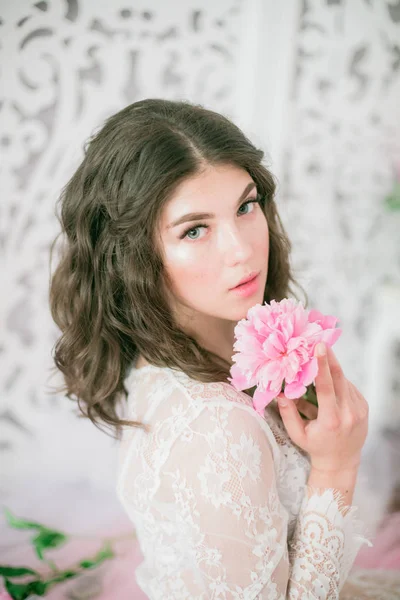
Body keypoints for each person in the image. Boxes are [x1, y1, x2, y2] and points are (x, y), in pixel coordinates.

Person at [49, 99, 400, 599]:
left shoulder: (169, 358)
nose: (241, 249)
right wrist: (336, 467)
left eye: (245, 205)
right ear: (134, 258)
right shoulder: (215, 425)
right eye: (195, 229)